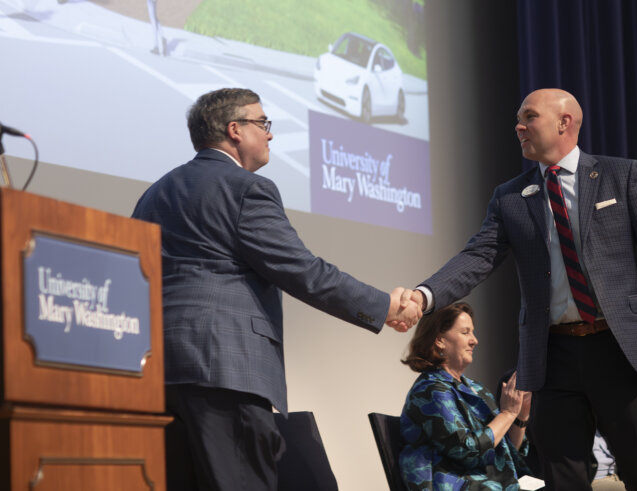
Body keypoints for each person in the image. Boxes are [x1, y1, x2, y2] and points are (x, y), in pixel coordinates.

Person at [404, 88, 637, 490]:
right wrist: (425, 296)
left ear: (564, 123)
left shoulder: (620, 175)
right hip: (552, 356)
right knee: (563, 479)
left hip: (620, 349)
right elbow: (477, 257)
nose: (519, 126)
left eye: (529, 117)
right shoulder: (510, 197)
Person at [131, 87, 421, 491]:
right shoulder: (247, 188)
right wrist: (383, 306)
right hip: (225, 370)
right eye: (263, 123)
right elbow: (303, 271)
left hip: (157, 371)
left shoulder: (153, 194)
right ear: (235, 130)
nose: (269, 134)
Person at [400, 302, 534, 490]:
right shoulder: (431, 390)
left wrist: (520, 416)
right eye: (465, 332)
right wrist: (507, 414)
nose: (474, 340)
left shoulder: (477, 389)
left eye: (473, 332)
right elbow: (467, 451)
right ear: (439, 340)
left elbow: (505, 451)